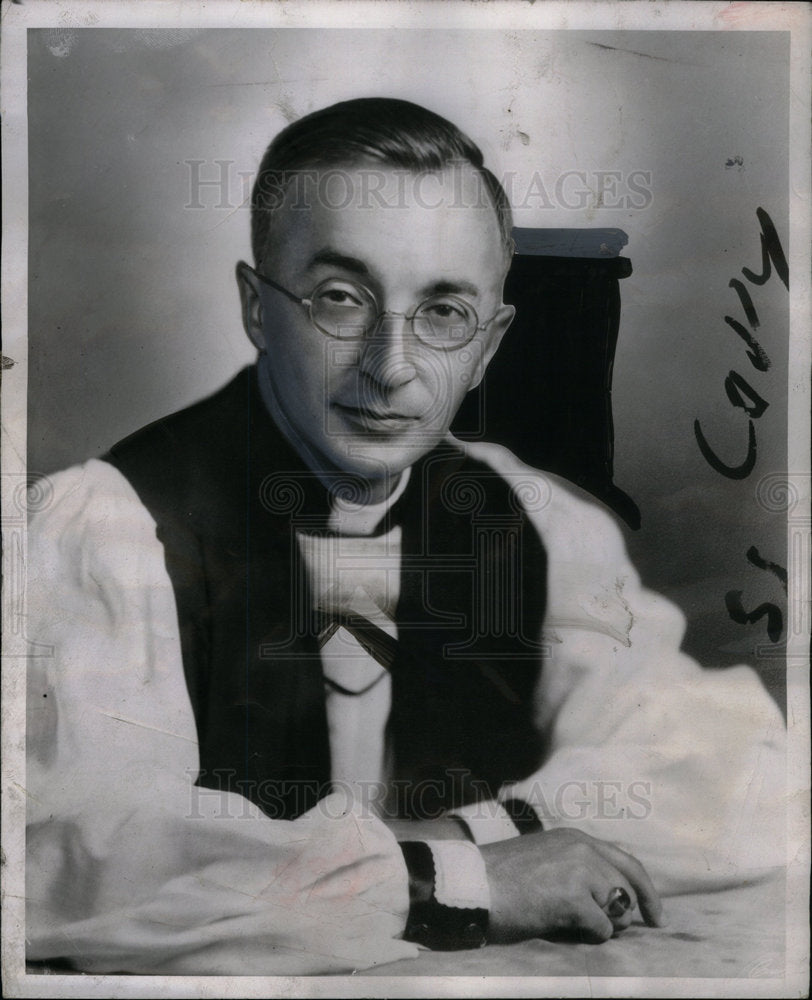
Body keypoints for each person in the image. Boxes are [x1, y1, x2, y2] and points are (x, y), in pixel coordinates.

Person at [25, 98, 785, 975]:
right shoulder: (109, 526)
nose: (390, 368)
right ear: (256, 307)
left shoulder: (534, 520)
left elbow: (745, 781)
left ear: (490, 343)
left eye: (444, 312)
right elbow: (71, 863)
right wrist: (458, 881)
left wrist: (477, 833)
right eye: (340, 298)